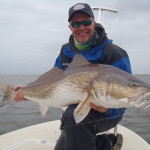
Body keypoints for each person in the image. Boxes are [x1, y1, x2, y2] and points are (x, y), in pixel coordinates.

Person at [14, 3, 132, 150]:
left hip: (108, 114)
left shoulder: (115, 54)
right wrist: (30, 89)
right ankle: (105, 143)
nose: (82, 27)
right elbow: (53, 79)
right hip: (76, 111)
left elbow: (125, 99)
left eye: (86, 22)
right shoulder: (66, 50)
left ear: (94, 23)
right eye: (76, 23)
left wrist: (105, 109)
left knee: (71, 117)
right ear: (70, 27)